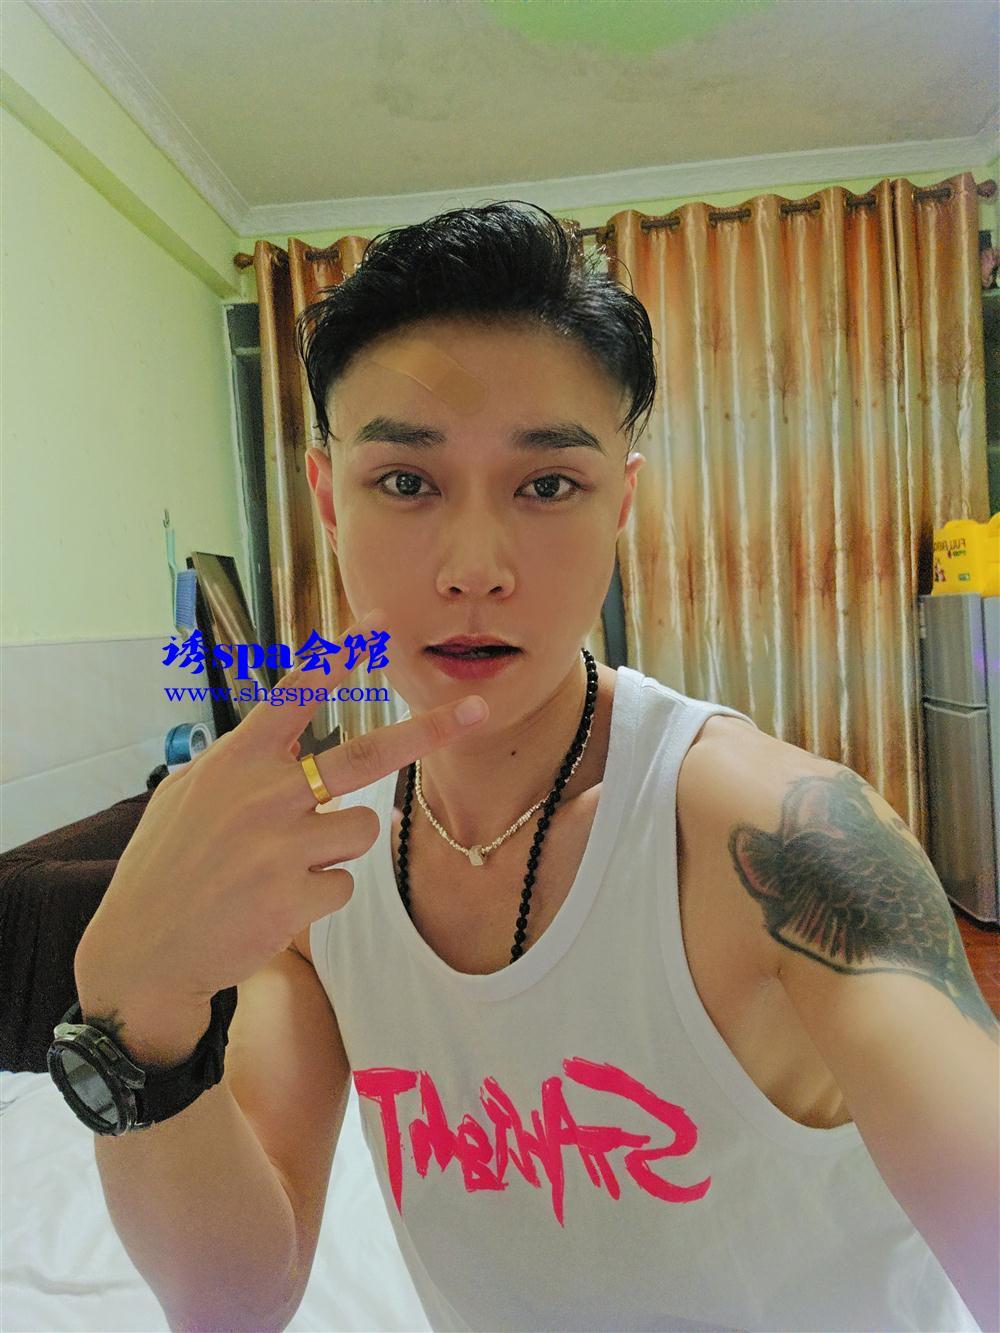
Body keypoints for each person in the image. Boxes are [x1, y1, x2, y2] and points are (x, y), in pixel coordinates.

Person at [62, 202, 997, 1333]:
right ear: (326, 502)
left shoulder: (777, 838)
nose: (475, 567)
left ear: (621, 504)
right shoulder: (316, 874)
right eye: (405, 481)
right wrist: (131, 1007)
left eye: (547, 484)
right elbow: (234, 1299)